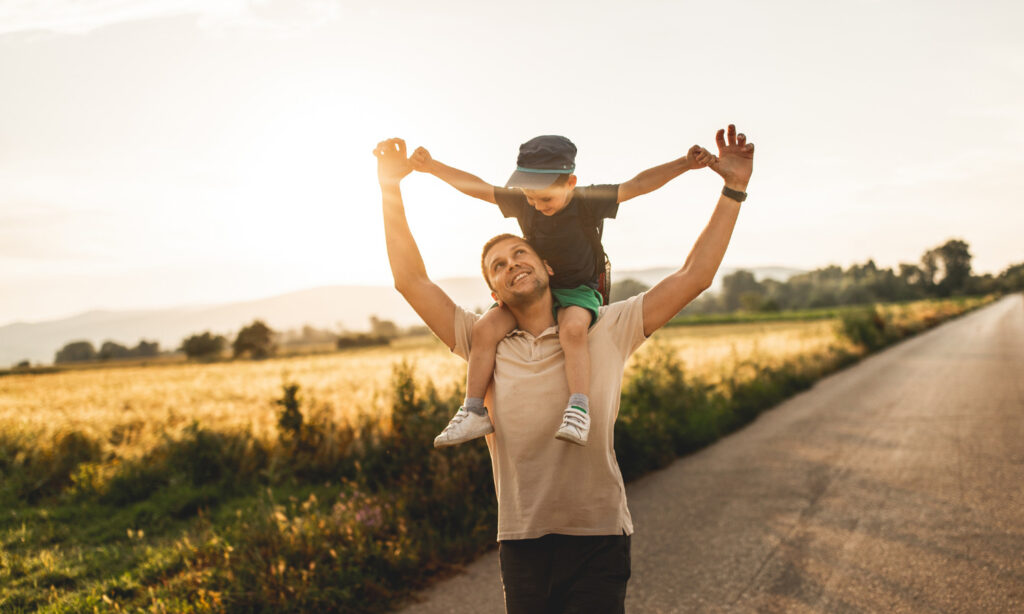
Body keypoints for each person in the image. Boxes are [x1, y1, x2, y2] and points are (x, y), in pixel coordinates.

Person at [374, 124, 754, 613]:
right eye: (497, 265)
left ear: (549, 267)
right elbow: (410, 280)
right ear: (493, 292)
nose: (511, 264)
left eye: (520, 253)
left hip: (598, 537)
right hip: (522, 542)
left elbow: (693, 275)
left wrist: (733, 188)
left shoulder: (607, 328)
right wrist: (391, 186)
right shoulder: (482, 343)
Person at [409, 136, 713, 448]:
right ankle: (473, 410)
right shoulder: (525, 203)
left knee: (572, 331)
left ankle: (579, 409)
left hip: (580, 290)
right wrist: (433, 167)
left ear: (570, 183)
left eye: (545, 200)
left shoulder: (588, 201)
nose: (536, 206)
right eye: (529, 197)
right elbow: (478, 187)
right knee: (484, 330)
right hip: (539, 291)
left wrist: (685, 164)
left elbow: (638, 184)